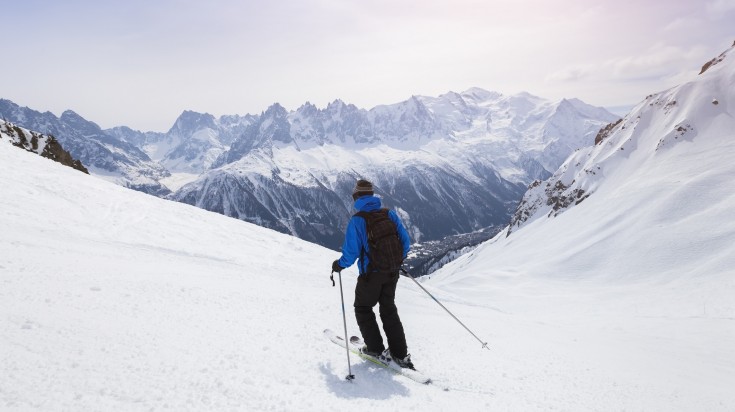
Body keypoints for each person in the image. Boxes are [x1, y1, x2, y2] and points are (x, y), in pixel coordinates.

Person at [331, 179, 414, 369]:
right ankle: (400, 355)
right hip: (392, 272)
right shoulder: (389, 214)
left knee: (363, 308)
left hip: (371, 275)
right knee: (388, 310)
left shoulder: (358, 220)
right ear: (372, 194)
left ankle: (375, 349)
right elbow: (405, 243)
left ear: (356, 196)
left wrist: (339, 265)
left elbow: (351, 253)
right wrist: (395, 261)